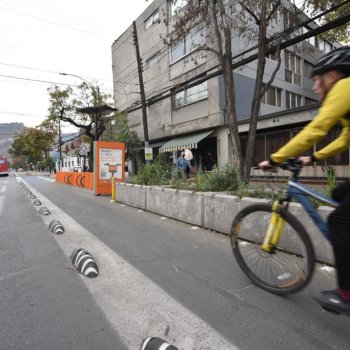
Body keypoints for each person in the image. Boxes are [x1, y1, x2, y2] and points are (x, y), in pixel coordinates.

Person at [259, 46, 350, 316]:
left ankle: (346, 294)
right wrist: (314, 158)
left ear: (331, 75)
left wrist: (275, 158)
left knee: (338, 221)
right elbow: (346, 137)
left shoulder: (344, 87)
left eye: (316, 79)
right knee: (338, 194)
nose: (314, 87)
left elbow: (316, 129)